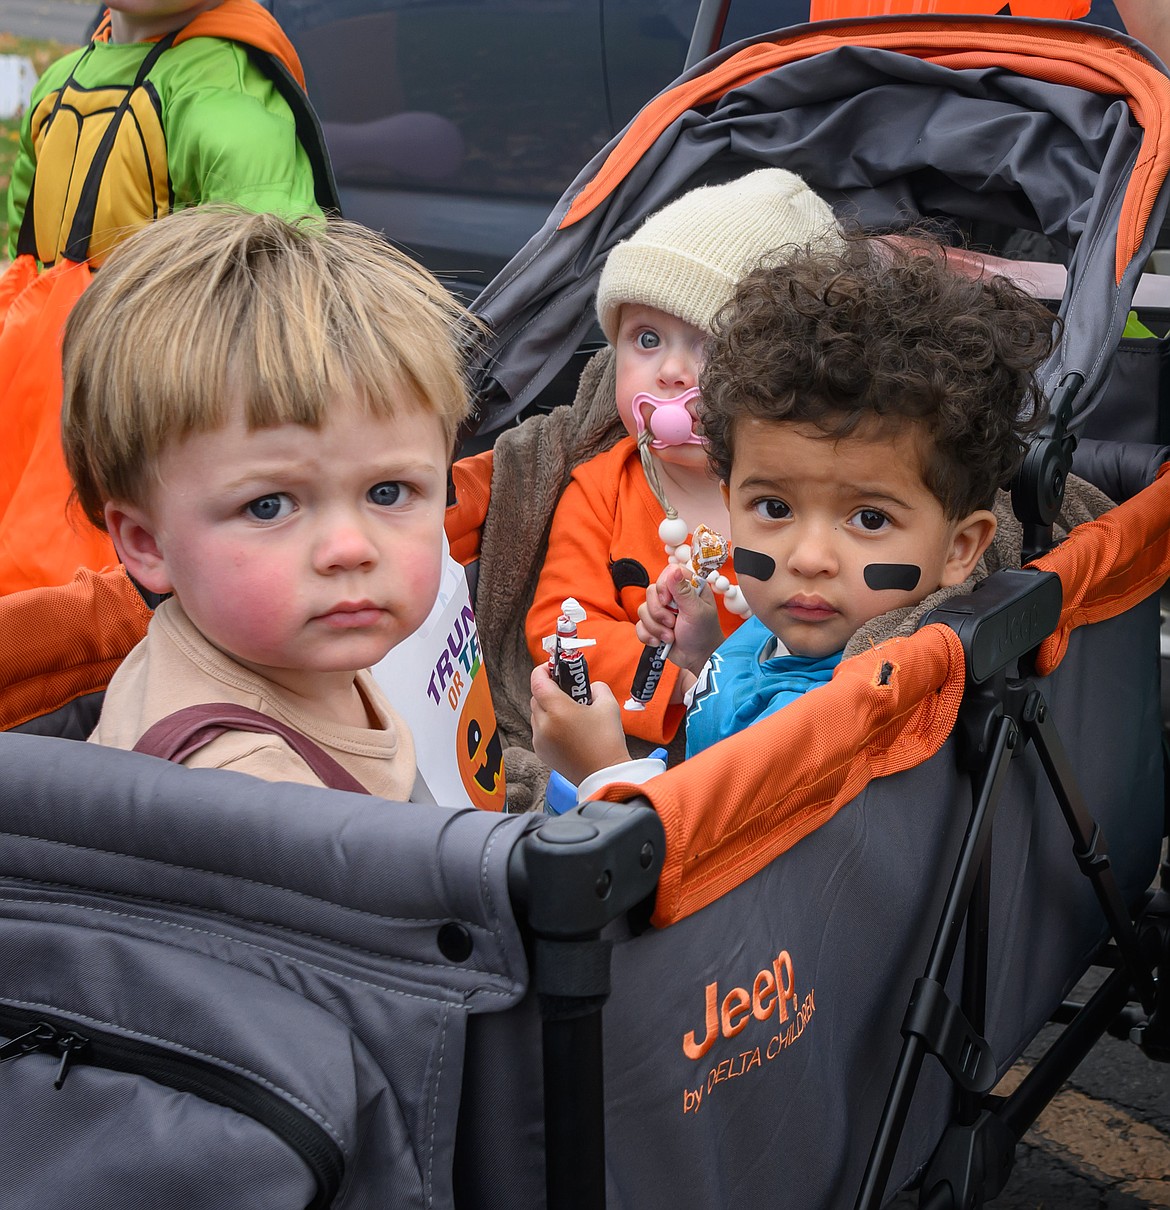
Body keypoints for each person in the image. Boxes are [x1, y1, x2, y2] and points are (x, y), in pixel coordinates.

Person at [530, 234, 1060, 787]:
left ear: (961, 548)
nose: (808, 558)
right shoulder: (800, 622)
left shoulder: (832, 722)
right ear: (728, 494)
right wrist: (709, 649)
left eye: (870, 519)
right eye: (774, 506)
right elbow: (749, 690)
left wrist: (603, 770)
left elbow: (715, 864)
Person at [61, 205, 476, 795]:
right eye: (269, 506)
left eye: (388, 492)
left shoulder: (288, 650)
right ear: (147, 544)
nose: (349, 549)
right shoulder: (244, 795)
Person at [0, 0, 330, 596]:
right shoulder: (60, 82)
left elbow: (276, 289)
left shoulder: (220, 88)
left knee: (92, 608)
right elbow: (25, 242)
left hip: (134, 418)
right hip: (32, 407)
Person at [524, 168, 843, 755]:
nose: (670, 372)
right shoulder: (601, 490)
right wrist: (677, 684)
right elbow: (559, 627)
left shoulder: (808, 497)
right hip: (641, 741)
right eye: (647, 339)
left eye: (711, 347)